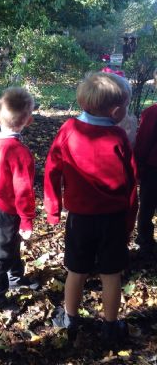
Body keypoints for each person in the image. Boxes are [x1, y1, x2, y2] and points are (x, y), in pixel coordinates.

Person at [44, 72, 138, 345]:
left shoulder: (69, 130)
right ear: (116, 111)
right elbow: (132, 183)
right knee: (112, 273)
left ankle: (70, 318)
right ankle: (110, 326)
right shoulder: (118, 137)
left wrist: (53, 209)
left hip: (80, 219)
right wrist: (129, 221)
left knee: (76, 270)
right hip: (113, 219)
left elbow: (52, 170)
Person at [0, 87, 39, 310]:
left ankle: (15, 278)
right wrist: (26, 220)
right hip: (6, 211)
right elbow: (23, 190)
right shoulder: (20, 153)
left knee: (11, 245)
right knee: (1, 252)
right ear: (29, 121)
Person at [134, 94, 157, 260]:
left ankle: (145, 242)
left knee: (147, 207)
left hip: (153, 170)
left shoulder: (152, 112)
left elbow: (144, 141)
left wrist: (138, 166)